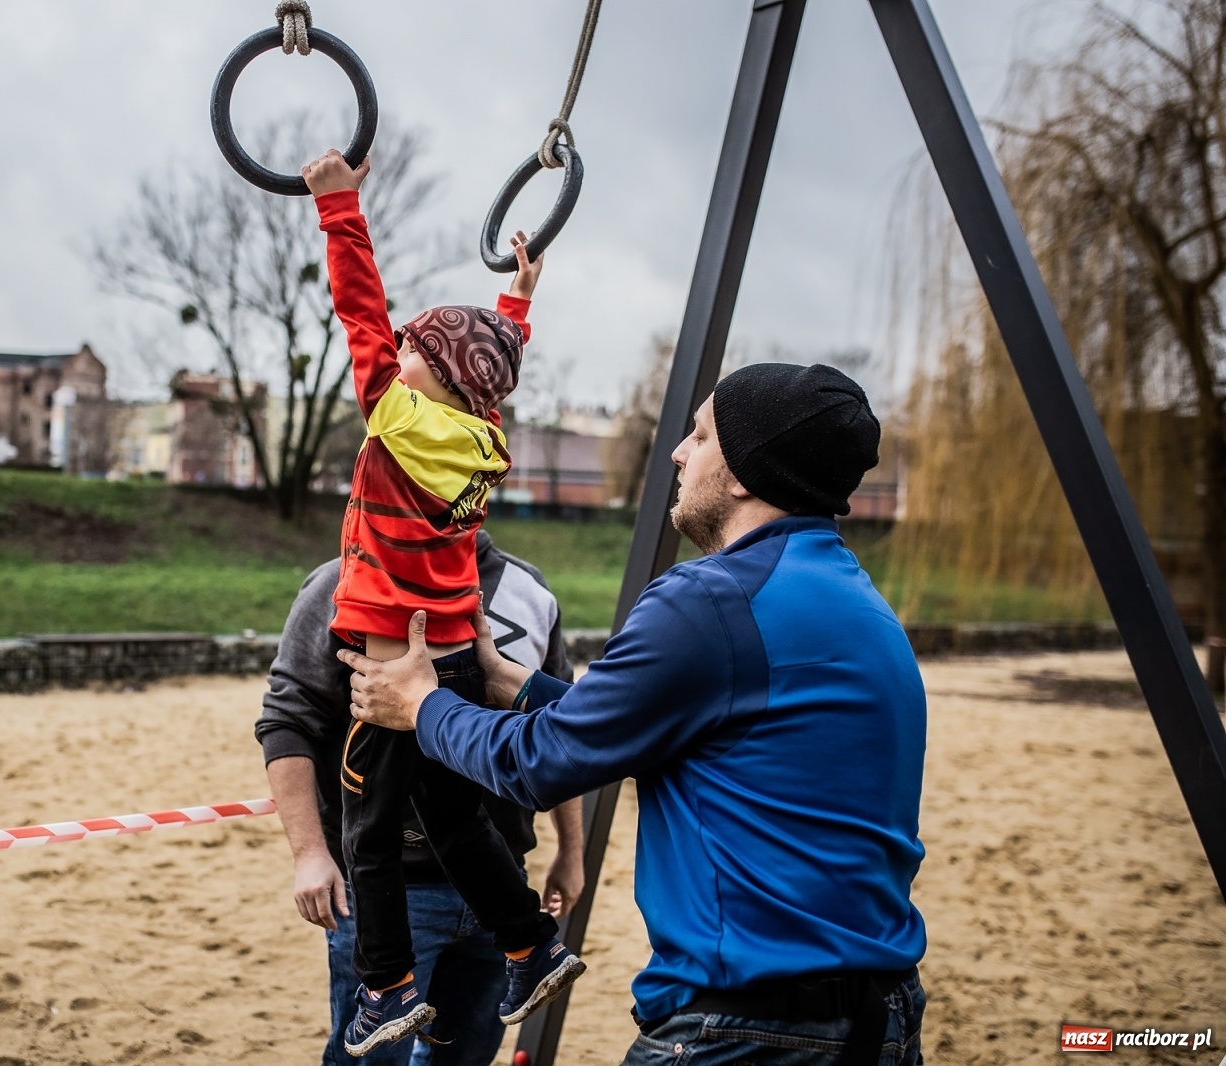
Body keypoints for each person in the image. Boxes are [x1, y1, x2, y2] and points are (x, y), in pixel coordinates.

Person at [339, 363, 930, 1066]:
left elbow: (539, 765)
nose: (678, 453)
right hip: (881, 1022)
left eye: (700, 437)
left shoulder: (709, 601)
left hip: (745, 1028)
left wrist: (422, 706)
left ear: (745, 473)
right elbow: (664, 729)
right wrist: (516, 685)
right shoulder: (862, 608)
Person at [302, 148, 585, 1057]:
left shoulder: (397, 419)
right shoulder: (480, 431)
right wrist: (516, 306)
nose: (400, 352)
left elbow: (359, 310)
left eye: (416, 351)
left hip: (395, 665)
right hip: (455, 656)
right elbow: (489, 365)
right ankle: (531, 945)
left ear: (436, 379)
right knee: (457, 820)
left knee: (368, 832)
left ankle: (386, 988)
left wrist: (339, 208)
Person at [256, 530, 586, 1066]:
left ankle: (527, 949)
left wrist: (571, 852)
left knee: (466, 1056)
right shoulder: (341, 580)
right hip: (395, 892)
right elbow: (287, 720)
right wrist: (310, 852)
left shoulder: (528, 588)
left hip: (501, 881)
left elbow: (559, 729)